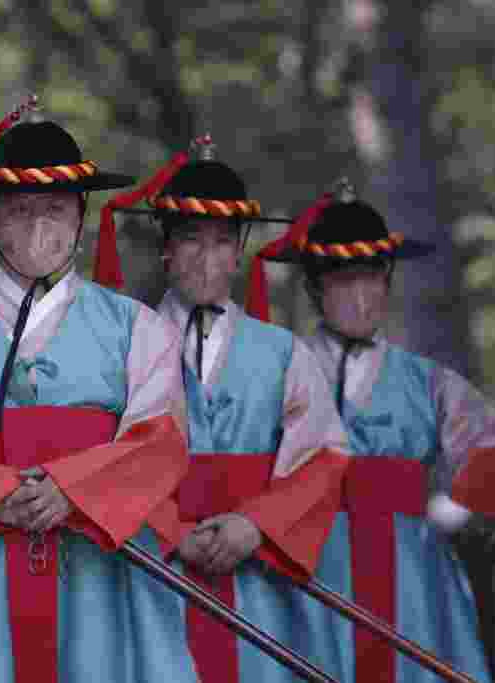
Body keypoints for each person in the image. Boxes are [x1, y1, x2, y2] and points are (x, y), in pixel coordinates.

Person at [0, 96, 199, 683]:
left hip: (103, 572)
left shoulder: (140, 329)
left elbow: (162, 439)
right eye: (17, 209)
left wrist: (74, 492)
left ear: (81, 217)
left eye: (54, 209)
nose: (36, 227)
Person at [250, 178, 495, 682]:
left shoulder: (428, 383)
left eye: (372, 279)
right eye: (344, 281)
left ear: (388, 281)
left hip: (411, 577)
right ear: (316, 288)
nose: (361, 297)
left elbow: (486, 453)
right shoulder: (277, 372)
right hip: (308, 567)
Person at [104, 136, 351, 683]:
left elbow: (324, 458)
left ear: (240, 251)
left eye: (221, 242)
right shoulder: (122, 347)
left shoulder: (284, 352)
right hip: (152, 572)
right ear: (166, 248)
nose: (205, 256)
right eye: (190, 239)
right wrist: (168, 529)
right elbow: (101, 458)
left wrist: (255, 525)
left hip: (257, 575)